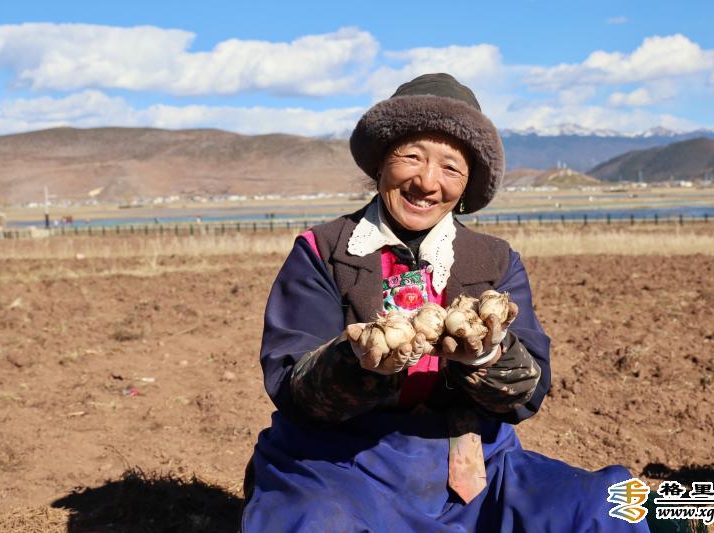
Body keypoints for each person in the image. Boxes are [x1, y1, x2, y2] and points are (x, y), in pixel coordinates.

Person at [242, 73, 650, 532]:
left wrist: (486, 356)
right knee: (317, 521)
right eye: (411, 156)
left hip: (472, 469)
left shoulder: (494, 261)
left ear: (468, 184)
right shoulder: (324, 251)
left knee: (601, 504)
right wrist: (358, 362)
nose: (427, 182)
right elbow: (292, 387)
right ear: (381, 162)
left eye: (451, 167)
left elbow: (526, 395)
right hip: (337, 465)